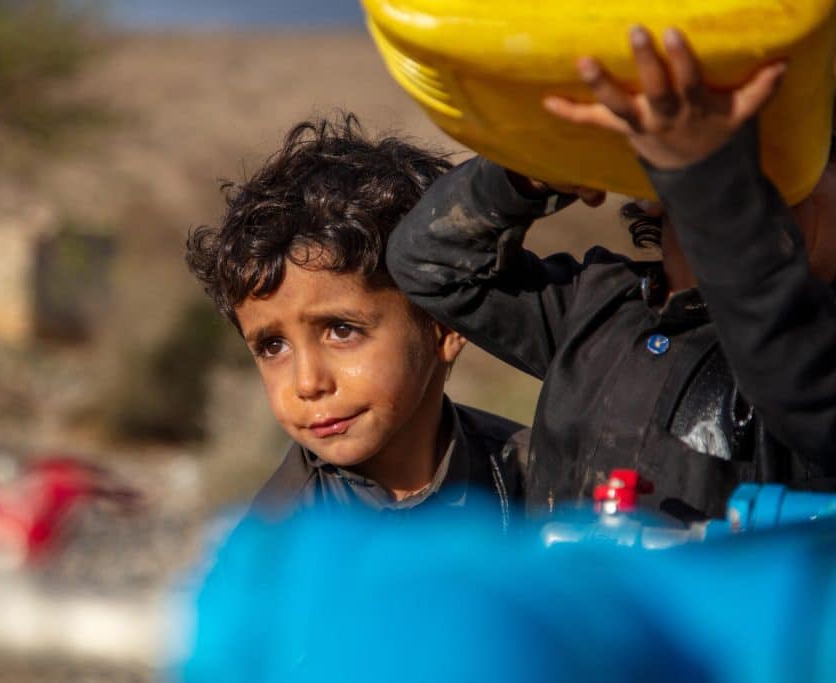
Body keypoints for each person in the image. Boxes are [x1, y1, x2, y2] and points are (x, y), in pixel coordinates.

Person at [386, 25, 836, 520]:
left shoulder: (813, 355)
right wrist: (529, 173)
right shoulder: (594, 306)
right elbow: (430, 262)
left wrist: (707, 185)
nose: (753, 196)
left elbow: (788, 361)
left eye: (798, 166)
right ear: (648, 183)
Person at [186, 114, 524, 524]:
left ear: (446, 324)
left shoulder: (533, 481)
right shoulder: (278, 542)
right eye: (273, 346)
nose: (307, 383)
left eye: (341, 330)